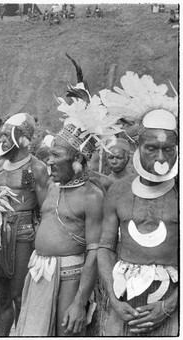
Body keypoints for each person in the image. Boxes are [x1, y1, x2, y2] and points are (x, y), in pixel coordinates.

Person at [15, 78, 116, 336]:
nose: (49, 160)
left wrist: (79, 302)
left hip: (69, 277)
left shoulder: (92, 196)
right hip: (39, 274)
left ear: (78, 159)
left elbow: (95, 251)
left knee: (67, 333)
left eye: (57, 155)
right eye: (50, 154)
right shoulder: (53, 187)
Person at [97, 71, 178, 336]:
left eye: (168, 149)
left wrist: (169, 305)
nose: (160, 156)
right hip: (123, 302)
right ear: (138, 147)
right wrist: (113, 297)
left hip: (171, 308)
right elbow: (105, 248)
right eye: (151, 148)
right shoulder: (119, 192)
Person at [0, 113, 50, 336]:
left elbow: (45, 210)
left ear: (23, 137)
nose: (2, 138)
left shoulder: (37, 168)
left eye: (7, 134)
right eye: (2, 134)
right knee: (2, 297)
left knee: (19, 295)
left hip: (23, 235)